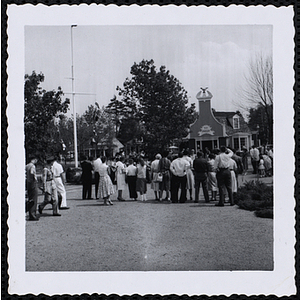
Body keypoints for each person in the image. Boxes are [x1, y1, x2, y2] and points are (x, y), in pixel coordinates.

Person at [25, 155, 39, 221]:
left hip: (28, 183)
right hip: (33, 183)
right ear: (35, 159)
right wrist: (34, 181)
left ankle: (31, 213)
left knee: (30, 198)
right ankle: (33, 214)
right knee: (34, 199)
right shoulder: (32, 166)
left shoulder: (27, 165)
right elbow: (32, 173)